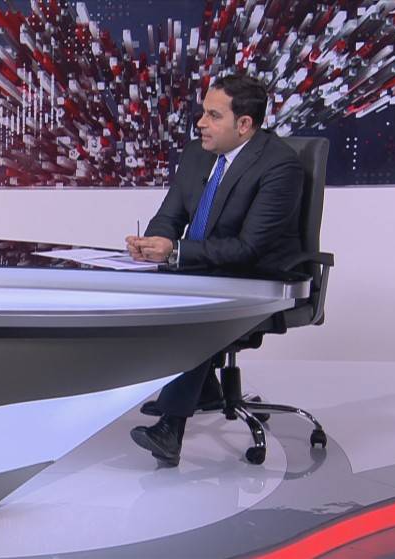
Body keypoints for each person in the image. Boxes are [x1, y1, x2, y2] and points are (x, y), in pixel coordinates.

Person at [125, 74, 304, 467]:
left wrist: (177, 251)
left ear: (244, 124)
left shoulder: (279, 166)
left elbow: (248, 248)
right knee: (143, 296)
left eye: (213, 115)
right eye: (203, 113)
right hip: (205, 267)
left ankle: (170, 429)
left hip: (258, 276)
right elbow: (170, 215)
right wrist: (155, 243)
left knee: (196, 309)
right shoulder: (197, 153)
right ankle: (202, 386)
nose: (201, 123)